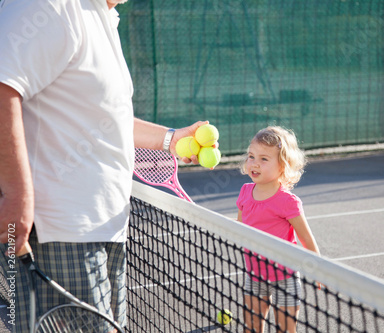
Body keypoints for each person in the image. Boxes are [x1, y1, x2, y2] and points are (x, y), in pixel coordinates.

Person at [0, 0, 207, 331]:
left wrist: (171, 140)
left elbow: (108, 118)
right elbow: (2, 86)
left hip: (106, 231)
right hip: (58, 233)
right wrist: (15, 196)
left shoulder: (102, 16)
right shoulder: (50, 6)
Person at [236, 126, 321, 333]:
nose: (254, 163)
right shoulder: (245, 192)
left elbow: (306, 240)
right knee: (252, 327)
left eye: (264, 159)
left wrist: (319, 271)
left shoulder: (288, 201)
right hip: (254, 274)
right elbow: (238, 228)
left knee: (286, 330)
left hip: (285, 276)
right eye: (251, 156)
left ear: (283, 165)